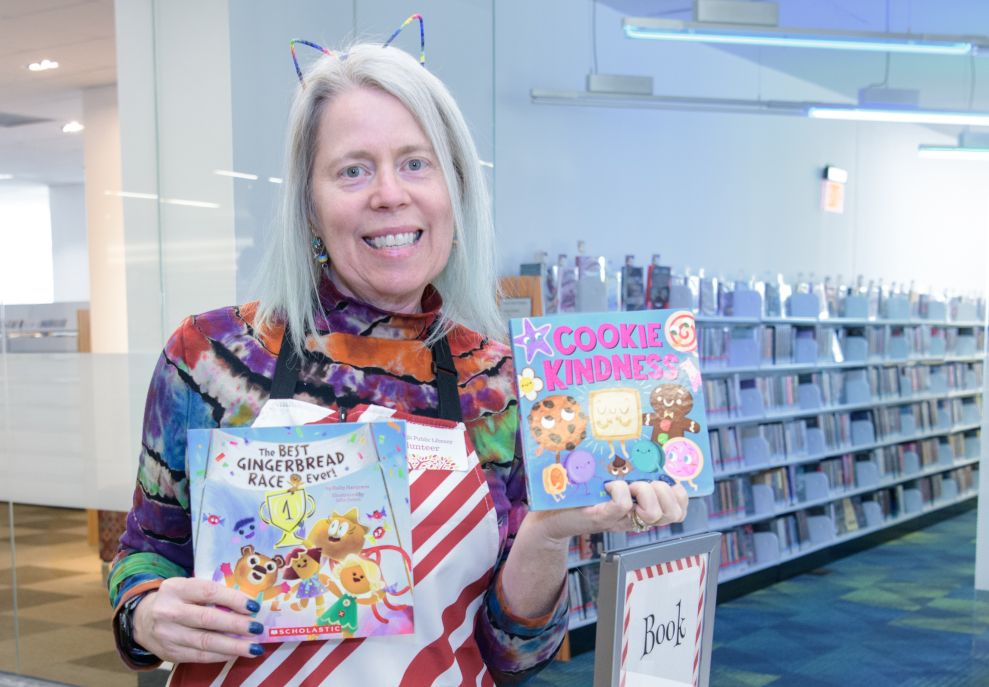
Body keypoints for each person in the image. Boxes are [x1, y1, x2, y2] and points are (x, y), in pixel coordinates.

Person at [108, 34, 689, 686]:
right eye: (352, 169)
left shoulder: (504, 385)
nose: (389, 194)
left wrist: (549, 535)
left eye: (416, 163)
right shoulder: (211, 356)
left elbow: (516, 654)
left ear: (455, 188)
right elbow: (146, 552)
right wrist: (147, 613)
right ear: (309, 204)